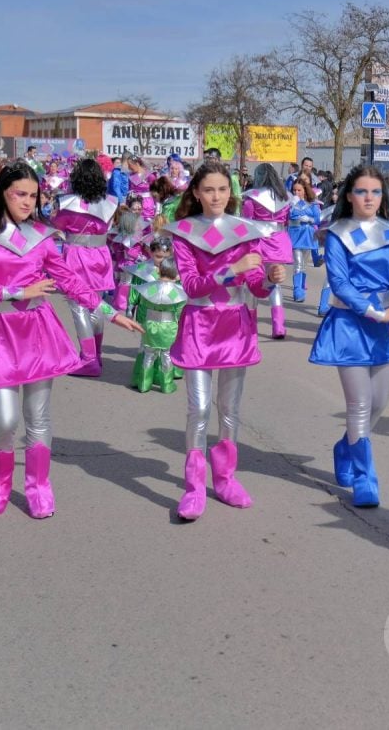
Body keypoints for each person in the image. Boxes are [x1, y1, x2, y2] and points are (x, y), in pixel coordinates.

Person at [0, 164, 142, 518]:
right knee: (6, 420)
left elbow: (69, 280)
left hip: (37, 331)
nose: (28, 201)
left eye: (33, 195)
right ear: (2, 193)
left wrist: (109, 312)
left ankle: (39, 486)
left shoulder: (41, 236)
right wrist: (17, 290)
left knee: (37, 417)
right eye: (19, 194)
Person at [168, 163, 284, 519]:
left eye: (222, 189)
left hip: (235, 325)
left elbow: (256, 287)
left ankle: (226, 478)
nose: (216, 196)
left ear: (230, 193)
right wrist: (229, 270)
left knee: (230, 410)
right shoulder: (184, 233)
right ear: (196, 194)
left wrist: (270, 279)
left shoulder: (245, 231)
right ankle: (193, 486)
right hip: (199, 325)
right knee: (199, 409)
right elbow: (190, 285)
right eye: (209, 190)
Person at [308, 164, 389, 508]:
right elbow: (340, 283)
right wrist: (377, 313)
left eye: (375, 191)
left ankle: (346, 447)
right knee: (359, 404)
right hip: (351, 325)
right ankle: (364, 476)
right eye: (361, 191)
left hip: (387, 325)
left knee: (379, 403)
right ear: (349, 196)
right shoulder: (338, 233)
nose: (369, 197)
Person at [50, 158, 119, 377]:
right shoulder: (110, 202)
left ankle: (88, 359)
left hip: (76, 256)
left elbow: (58, 225)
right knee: (96, 305)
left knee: (79, 306)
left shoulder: (67, 203)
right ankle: (95, 355)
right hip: (100, 255)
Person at [239, 163, 293, 340]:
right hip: (278, 241)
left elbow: (246, 222)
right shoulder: (285, 197)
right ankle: (279, 326)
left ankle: (250, 325)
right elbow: (286, 220)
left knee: (252, 282)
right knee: (274, 282)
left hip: (258, 241)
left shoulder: (251, 198)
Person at [130, 254, 187, 394]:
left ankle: (144, 383)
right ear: (177, 273)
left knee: (148, 353)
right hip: (168, 327)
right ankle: (167, 385)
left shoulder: (148, 288)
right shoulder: (178, 293)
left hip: (149, 325)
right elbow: (180, 312)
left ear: (159, 270)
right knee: (166, 355)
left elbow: (142, 303)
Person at [287, 178, 321, 302]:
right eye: (294, 190)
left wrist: (309, 219)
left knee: (304, 264)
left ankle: (301, 286)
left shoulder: (313, 203)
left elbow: (317, 219)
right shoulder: (289, 202)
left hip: (307, 235)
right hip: (295, 234)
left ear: (305, 190)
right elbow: (288, 217)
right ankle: (297, 290)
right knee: (298, 262)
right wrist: (293, 209)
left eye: (299, 190)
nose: (296, 192)